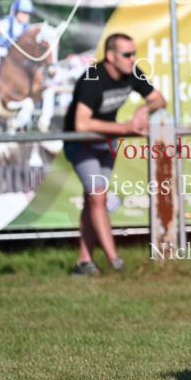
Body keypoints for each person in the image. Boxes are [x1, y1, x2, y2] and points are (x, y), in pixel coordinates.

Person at [63, 33, 166, 276]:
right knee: (98, 197)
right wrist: (125, 128)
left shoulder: (133, 72)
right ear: (111, 56)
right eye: (127, 54)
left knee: (93, 199)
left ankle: (84, 262)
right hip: (81, 144)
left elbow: (160, 100)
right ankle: (115, 260)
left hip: (106, 145)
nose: (133, 59)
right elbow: (81, 124)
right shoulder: (92, 78)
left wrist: (144, 108)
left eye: (134, 53)